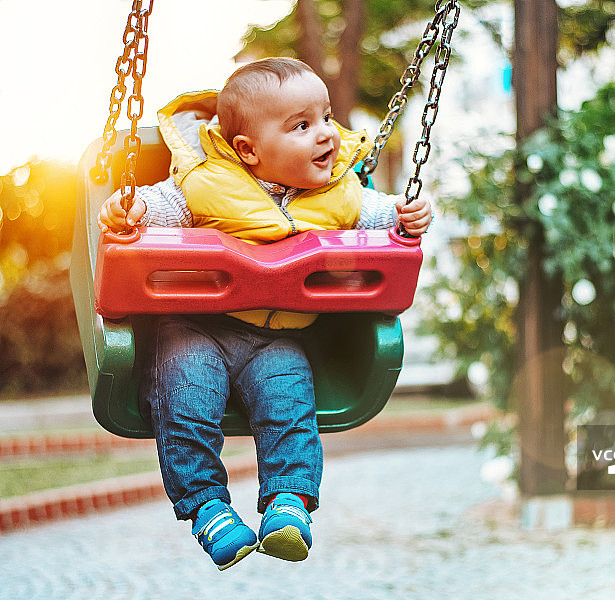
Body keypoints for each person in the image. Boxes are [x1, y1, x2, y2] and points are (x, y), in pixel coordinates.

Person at [98, 57, 432, 570]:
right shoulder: (206, 183)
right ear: (248, 150)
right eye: (301, 126)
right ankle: (208, 509)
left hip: (278, 336)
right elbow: (154, 207)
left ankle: (288, 506)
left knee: (290, 405)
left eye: (325, 117)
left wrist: (408, 217)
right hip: (194, 329)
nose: (325, 135)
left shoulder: (341, 193)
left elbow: (384, 215)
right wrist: (128, 212)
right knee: (185, 397)